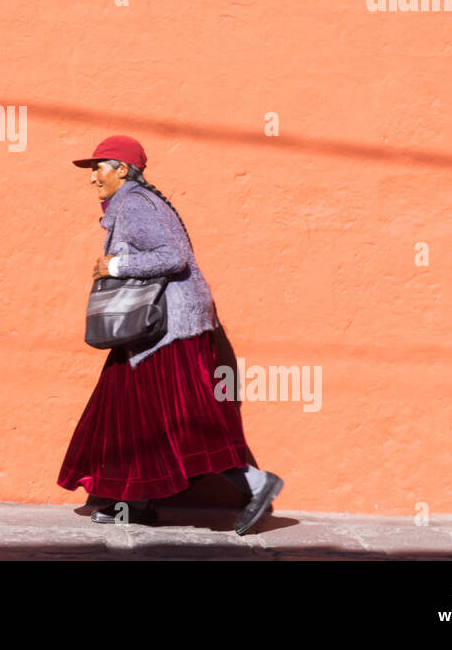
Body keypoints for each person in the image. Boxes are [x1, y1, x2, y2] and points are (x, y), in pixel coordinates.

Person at [56, 135, 283, 534]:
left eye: (98, 168)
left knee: (184, 415)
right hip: (151, 329)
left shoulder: (133, 203)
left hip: (168, 329)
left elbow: (173, 257)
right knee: (127, 411)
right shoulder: (134, 203)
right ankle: (135, 501)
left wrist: (115, 266)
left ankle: (255, 483)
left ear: (122, 170)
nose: (93, 179)